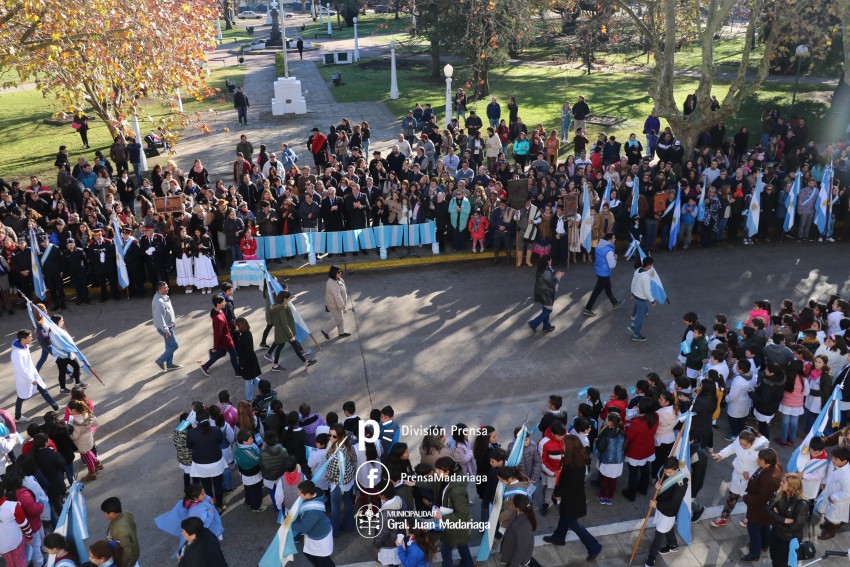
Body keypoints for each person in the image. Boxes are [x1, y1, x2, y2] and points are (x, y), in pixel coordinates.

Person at [542, 435, 602, 559]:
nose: (562, 446)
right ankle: (558, 537)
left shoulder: (576, 465)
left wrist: (557, 493)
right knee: (564, 517)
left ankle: (594, 547)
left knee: (573, 525)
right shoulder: (573, 458)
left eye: (564, 444)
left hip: (572, 499)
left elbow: (571, 486)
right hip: (569, 498)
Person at [643, 457, 689, 567]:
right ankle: (673, 545)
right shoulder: (667, 473)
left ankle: (651, 557)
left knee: (659, 535)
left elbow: (673, 502)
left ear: (676, 469)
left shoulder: (681, 483)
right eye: (665, 471)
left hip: (668, 511)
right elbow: (664, 482)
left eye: (669, 472)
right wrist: (658, 485)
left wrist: (657, 505)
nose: (667, 474)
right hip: (662, 507)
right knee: (668, 528)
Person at [740, 448, 783, 562]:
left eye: (760, 459)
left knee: (753, 528)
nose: (757, 460)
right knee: (764, 526)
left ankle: (754, 553)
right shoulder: (776, 466)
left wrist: (746, 498)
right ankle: (765, 544)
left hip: (759, 510)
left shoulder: (768, 479)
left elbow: (761, 499)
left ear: (767, 463)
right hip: (766, 511)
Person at [10, 330, 59, 423]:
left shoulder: (25, 347)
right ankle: (18, 417)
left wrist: (34, 375)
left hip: (32, 376)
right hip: (26, 379)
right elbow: (21, 369)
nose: (32, 338)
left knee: (43, 390)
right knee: (21, 397)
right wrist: (31, 379)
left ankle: (55, 406)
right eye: (29, 337)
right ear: (23, 339)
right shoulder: (17, 353)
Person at [766, 474, 810, 567]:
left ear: (791, 486)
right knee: (773, 557)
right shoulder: (780, 493)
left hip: (788, 539)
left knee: (781, 563)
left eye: (783, 482)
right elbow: (768, 509)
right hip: (775, 533)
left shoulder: (802, 504)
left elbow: (796, 527)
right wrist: (783, 520)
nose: (780, 483)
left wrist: (776, 518)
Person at [292, 480, 335, 567]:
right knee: (314, 556)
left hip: (320, 538)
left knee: (324, 561)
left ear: (308, 495)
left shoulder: (312, 512)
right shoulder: (315, 496)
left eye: (300, 493)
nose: (298, 494)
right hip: (317, 533)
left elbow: (304, 528)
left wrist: (290, 523)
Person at [583, 232, 624, 317]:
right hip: (604, 273)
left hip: (599, 270)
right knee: (597, 291)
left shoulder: (599, 245)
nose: (615, 239)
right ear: (609, 240)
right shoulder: (608, 250)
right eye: (613, 238)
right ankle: (588, 309)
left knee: (607, 288)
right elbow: (612, 265)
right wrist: (615, 258)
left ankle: (614, 302)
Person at [199, 296, 240, 378]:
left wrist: (233, 326)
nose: (225, 303)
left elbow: (225, 323)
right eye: (223, 302)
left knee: (222, 353)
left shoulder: (219, 310)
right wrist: (215, 347)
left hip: (225, 338)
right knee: (233, 354)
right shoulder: (217, 318)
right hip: (226, 339)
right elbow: (217, 334)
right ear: (218, 304)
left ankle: (205, 366)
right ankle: (238, 372)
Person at [101, 497, 140, 567]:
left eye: (105, 513)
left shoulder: (121, 531)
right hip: (133, 555)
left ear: (112, 514)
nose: (104, 515)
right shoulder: (126, 513)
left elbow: (126, 552)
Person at [528, 254, 563, 333]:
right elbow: (552, 284)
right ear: (548, 261)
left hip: (541, 292)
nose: (551, 262)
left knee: (545, 308)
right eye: (550, 260)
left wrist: (556, 276)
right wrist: (558, 277)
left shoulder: (543, 269)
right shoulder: (546, 271)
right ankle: (534, 323)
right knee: (548, 309)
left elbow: (549, 279)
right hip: (545, 293)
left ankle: (546, 326)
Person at [499, 493, 536, 567]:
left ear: (517, 508)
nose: (511, 505)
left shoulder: (524, 526)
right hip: (511, 549)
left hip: (514, 557)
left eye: (512, 503)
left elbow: (521, 550)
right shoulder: (517, 513)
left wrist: (513, 565)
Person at [152, 281, 181, 371]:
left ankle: (169, 364)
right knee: (175, 345)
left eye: (167, 287)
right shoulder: (159, 301)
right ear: (160, 289)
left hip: (168, 325)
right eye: (165, 288)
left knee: (169, 346)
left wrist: (172, 322)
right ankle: (160, 360)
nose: (167, 288)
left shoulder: (163, 296)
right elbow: (160, 318)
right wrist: (166, 330)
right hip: (165, 327)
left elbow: (168, 311)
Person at [629, 256, 657, 342]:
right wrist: (652, 301)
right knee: (640, 318)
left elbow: (633, 282)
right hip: (642, 299)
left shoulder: (638, 270)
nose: (652, 266)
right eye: (651, 265)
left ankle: (633, 326)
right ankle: (636, 335)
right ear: (648, 266)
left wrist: (632, 293)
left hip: (637, 297)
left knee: (641, 314)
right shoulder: (646, 277)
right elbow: (647, 291)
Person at [321, 265, 350, 340]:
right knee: (339, 319)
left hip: (337, 304)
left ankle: (341, 332)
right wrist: (343, 307)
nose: (340, 273)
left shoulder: (338, 279)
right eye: (339, 272)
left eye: (341, 271)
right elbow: (337, 297)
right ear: (334, 273)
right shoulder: (333, 283)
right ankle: (325, 330)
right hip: (334, 305)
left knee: (340, 317)